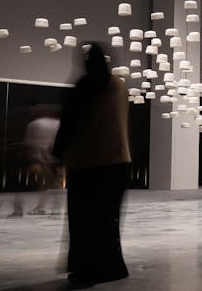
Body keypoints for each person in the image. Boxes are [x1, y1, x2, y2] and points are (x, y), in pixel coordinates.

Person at [52, 43, 131, 286]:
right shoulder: (119, 85)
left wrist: (57, 154)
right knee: (107, 219)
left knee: (84, 220)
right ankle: (112, 267)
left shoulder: (84, 87)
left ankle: (86, 270)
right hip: (117, 163)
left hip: (87, 164)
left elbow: (69, 123)